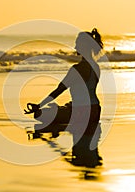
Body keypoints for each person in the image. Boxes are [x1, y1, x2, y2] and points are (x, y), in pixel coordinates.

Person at [28, 28, 104, 167]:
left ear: (83, 46)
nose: (75, 47)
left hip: (82, 112)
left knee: (40, 116)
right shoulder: (96, 67)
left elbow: (59, 90)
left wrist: (39, 105)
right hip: (95, 111)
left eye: (77, 44)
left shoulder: (77, 69)